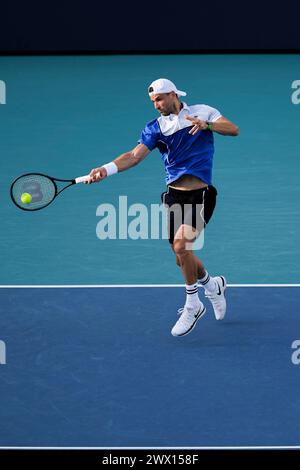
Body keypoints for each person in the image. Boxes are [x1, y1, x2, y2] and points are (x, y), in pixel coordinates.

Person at [88, 78, 239, 337]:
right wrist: (106, 169)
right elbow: (134, 156)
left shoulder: (202, 111)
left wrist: (208, 125)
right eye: (153, 102)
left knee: (182, 246)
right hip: (173, 196)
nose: (156, 105)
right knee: (181, 255)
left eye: (159, 99)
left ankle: (193, 304)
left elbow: (232, 129)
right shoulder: (156, 127)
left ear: (172, 95)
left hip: (201, 194)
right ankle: (212, 285)